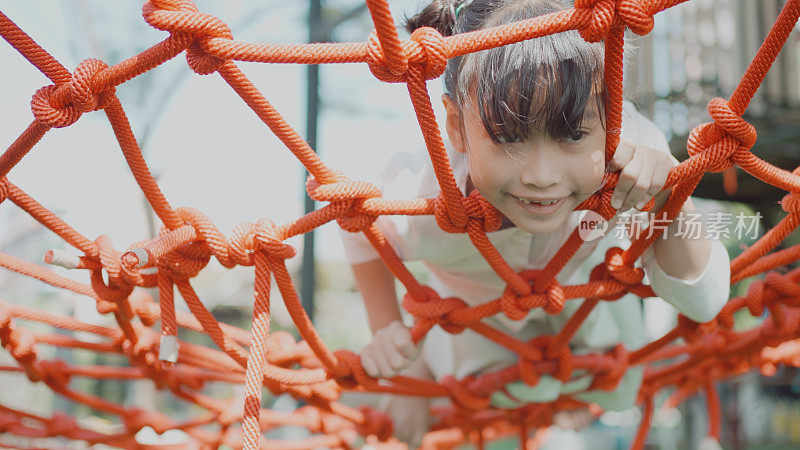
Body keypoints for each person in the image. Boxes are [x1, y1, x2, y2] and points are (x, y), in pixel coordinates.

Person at [340, 0, 731, 446]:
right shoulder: (420, 193)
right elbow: (359, 228)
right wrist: (389, 332)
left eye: (573, 134)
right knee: (501, 396)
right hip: (478, 324)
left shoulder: (635, 155)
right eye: (508, 136)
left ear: (613, 116)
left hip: (589, 306)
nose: (542, 175)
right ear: (454, 126)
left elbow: (705, 303)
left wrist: (669, 198)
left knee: (622, 388)